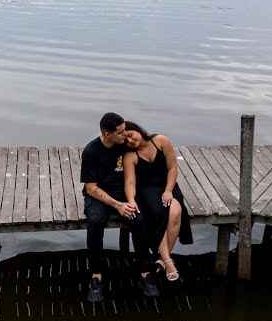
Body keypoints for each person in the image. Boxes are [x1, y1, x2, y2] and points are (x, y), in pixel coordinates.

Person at [80, 113, 160, 302]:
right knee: (96, 222)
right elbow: (91, 188)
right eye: (120, 132)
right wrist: (117, 205)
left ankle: (145, 273)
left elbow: (149, 150)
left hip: (124, 192)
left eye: (125, 130)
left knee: (139, 221)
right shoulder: (91, 152)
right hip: (98, 194)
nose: (125, 135)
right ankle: (96, 275)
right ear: (106, 134)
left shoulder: (125, 146)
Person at [122, 121, 194, 281]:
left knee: (176, 211)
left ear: (137, 129)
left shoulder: (161, 140)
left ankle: (162, 258)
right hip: (146, 189)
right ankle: (168, 261)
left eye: (130, 136)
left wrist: (168, 190)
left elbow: (172, 168)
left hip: (167, 185)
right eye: (126, 141)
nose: (131, 141)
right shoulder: (130, 156)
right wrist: (131, 200)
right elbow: (130, 182)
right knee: (158, 213)